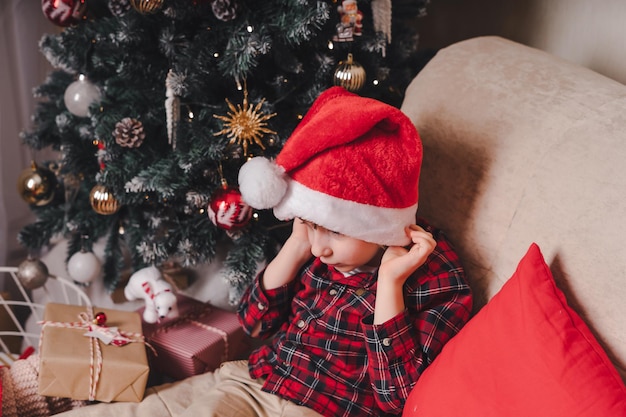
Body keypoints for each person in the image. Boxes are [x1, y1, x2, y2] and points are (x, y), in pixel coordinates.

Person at [55, 87, 472, 417]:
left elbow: (395, 397)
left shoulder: (433, 277)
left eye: (336, 233)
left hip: (318, 408)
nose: (321, 248)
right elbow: (254, 323)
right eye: (311, 225)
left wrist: (390, 285)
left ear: (379, 226)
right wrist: (294, 245)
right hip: (255, 379)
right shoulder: (317, 244)